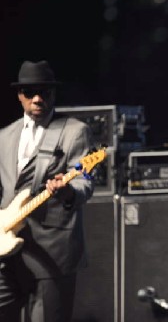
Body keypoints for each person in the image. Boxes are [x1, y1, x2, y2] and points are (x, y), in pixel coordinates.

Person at [0, 60, 94, 322]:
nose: (38, 98)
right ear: (19, 95)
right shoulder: (5, 136)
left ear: (54, 93)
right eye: (30, 92)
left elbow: (84, 182)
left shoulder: (74, 132)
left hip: (53, 252)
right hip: (6, 250)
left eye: (45, 92)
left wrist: (66, 192)